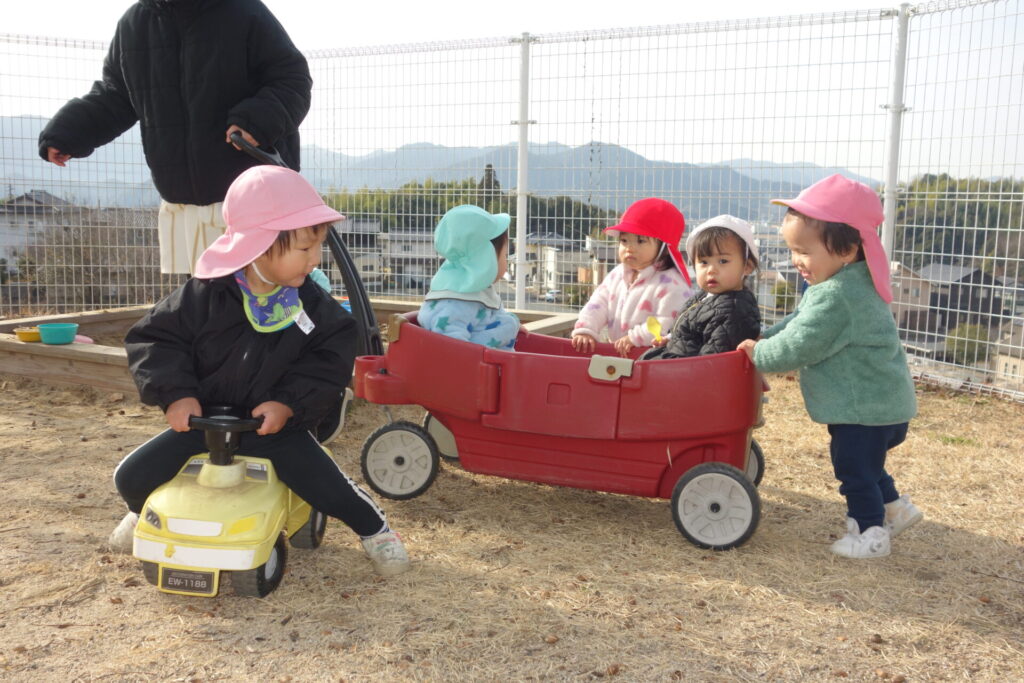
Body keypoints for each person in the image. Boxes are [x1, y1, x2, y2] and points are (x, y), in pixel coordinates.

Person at [110, 165, 410, 577]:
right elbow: (155, 340)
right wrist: (176, 393)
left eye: (318, 246)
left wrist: (287, 403)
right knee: (130, 476)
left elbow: (328, 362)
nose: (315, 260)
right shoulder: (203, 294)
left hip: (274, 429)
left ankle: (376, 531)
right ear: (259, 244)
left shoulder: (314, 309)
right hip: (204, 422)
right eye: (304, 248)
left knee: (328, 487)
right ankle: (140, 511)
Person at [38, 0, 312, 275]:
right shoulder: (134, 25)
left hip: (256, 200)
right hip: (186, 206)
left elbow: (292, 78)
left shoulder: (242, 10)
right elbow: (115, 96)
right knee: (207, 295)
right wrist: (68, 133)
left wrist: (257, 122)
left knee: (270, 293)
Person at [738, 174, 922, 559]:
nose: (796, 261)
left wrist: (760, 353)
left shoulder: (838, 296)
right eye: (792, 250)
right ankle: (896, 510)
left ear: (847, 249)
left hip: (863, 410)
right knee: (869, 465)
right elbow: (799, 322)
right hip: (880, 406)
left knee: (854, 470)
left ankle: (870, 535)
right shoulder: (849, 281)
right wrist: (765, 335)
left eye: (803, 251)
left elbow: (801, 343)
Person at [571, 198, 693, 357]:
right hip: (618, 352)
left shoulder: (672, 284)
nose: (630, 248)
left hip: (652, 358)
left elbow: (669, 323)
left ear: (664, 246)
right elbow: (598, 304)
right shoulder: (617, 274)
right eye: (624, 240)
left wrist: (635, 338)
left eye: (641, 241)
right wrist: (586, 329)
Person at [643, 215, 761, 359]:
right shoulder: (704, 296)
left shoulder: (734, 311)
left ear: (747, 266)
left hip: (685, 369)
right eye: (704, 262)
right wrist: (670, 339)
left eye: (723, 261)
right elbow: (688, 332)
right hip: (677, 360)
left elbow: (711, 361)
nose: (711, 270)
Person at [418, 205, 521, 349]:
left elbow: (491, 316)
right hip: (483, 363)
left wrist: (511, 326)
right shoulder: (456, 304)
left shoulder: (476, 290)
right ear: (485, 258)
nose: (507, 261)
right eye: (505, 255)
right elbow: (451, 347)